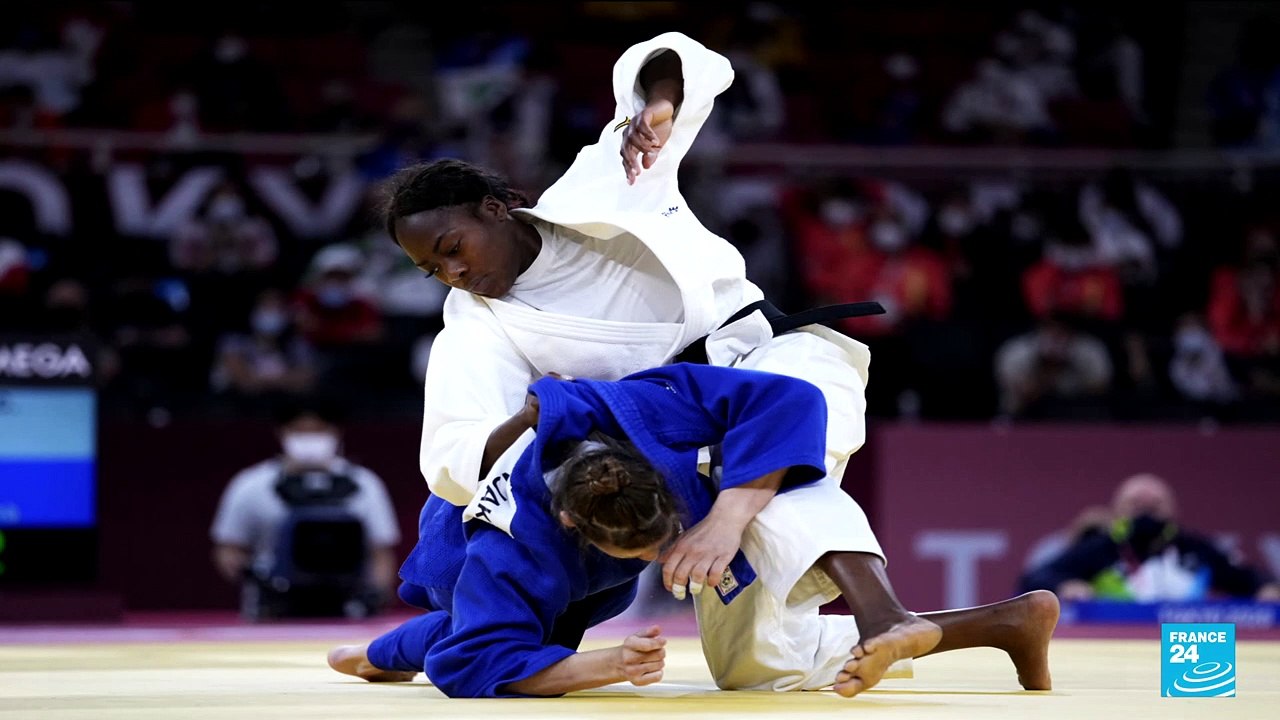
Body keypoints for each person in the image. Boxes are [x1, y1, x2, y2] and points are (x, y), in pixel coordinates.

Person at [378, 31, 951, 696]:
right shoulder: (475, 327)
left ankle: (882, 614)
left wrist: (660, 104)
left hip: (766, 363)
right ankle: (983, 625)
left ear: (494, 209)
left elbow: (674, 62)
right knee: (758, 667)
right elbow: (456, 460)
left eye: (453, 248)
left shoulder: (598, 191)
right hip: (666, 443)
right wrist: (536, 416)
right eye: (432, 270)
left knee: (797, 414)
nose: (454, 274)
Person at [328, 364, 1058, 697]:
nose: (661, 559)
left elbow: (791, 400)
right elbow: (473, 664)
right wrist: (606, 667)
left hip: (770, 383)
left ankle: (893, 614)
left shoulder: (647, 414)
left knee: (793, 482)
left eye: (664, 536)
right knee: (456, 636)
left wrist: (728, 513)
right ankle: (376, 656)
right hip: (500, 580)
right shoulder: (511, 547)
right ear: (572, 524)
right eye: (641, 555)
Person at [210, 399, 401, 619]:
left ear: (335, 432)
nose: (310, 438)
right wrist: (257, 577)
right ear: (282, 432)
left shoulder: (364, 484)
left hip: (347, 608)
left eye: (319, 430)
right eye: (300, 431)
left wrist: (375, 595)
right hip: (271, 611)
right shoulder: (251, 485)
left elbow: (381, 553)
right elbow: (228, 549)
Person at [1019, 473, 1280, 602]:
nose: (1146, 512)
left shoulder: (1195, 547)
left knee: (1205, 695)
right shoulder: (1099, 547)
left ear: (1172, 510)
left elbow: (1248, 577)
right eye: (1135, 505)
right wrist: (1064, 587)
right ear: (1117, 510)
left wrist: (1266, 588)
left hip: (1190, 641)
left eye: (1155, 505)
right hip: (1111, 641)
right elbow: (1034, 580)